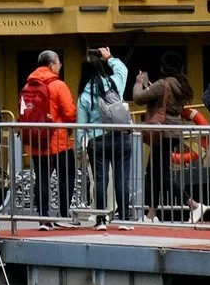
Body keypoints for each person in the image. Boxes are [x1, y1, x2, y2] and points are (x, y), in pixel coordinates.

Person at [20, 51, 77, 220]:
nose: (60, 66)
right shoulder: (58, 85)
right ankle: (64, 213)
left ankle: (43, 216)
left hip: (36, 142)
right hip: (58, 142)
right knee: (66, 177)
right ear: (51, 65)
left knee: (42, 177)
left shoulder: (28, 86)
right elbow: (69, 113)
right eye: (59, 62)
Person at [78, 55, 136, 222]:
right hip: (120, 136)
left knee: (100, 180)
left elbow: (81, 126)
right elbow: (123, 70)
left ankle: (101, 220)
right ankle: (125, 219)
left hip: (97, 141)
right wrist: (110, 57)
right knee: (121, 180)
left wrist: (79, 149)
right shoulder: (114, 83)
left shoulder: (84, 96)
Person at [132, 52, 191, 218]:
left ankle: (192, 204)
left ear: (164, 67)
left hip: (162, 132)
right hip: (173, 131)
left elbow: (138, 98)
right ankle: (151, 213)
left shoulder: (162, 84)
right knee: (152, 173)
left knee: (161, 174)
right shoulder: (180, 84)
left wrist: (139, 83)